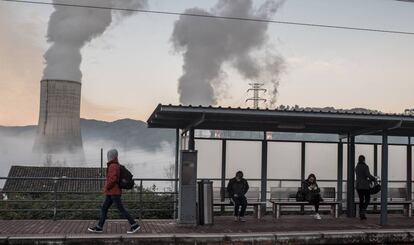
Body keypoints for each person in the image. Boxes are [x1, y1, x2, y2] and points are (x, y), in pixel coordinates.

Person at [88, 149, 140, 233]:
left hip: (114, 192)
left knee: (121, 210)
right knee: (104, 208)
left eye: (109, 155)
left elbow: (113, 179)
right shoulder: (115, 165)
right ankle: (99, 227)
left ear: (112, 156)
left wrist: (106, 187)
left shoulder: (113, 166)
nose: (108, 156)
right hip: (111, 192)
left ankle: (134, 225)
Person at [355, 155, 376, 220]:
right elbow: (368, 175)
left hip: (358, 186)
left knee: (361, 200)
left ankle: (361, 213)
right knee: (367, 199)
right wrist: (373, 179)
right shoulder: (365, 166)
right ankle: (363, 211)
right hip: (365, 186)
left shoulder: (357, 167)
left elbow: (360, 176)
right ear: (364, 160)